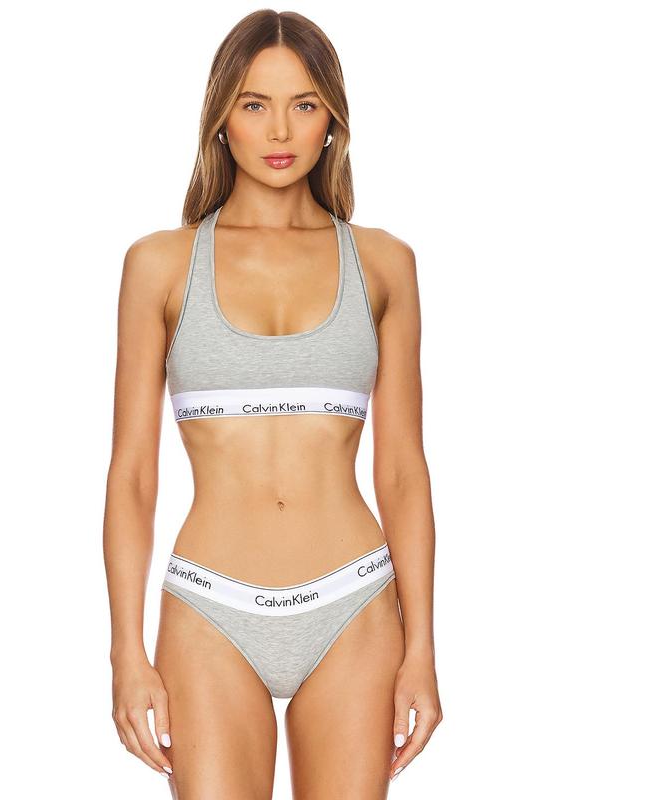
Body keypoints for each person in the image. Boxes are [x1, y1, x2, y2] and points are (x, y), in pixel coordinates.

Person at [103, 9, 442, 796]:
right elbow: (133, 476)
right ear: (222, 118)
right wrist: (125, 651)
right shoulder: (159, 265)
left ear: (333, 119)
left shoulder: (384, 263)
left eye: (304, 103)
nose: (281, 129)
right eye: (255, 104)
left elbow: (402, 471)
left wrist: (422, 647)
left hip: (354, 602)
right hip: (209, 608)